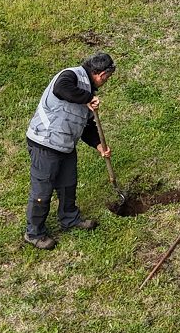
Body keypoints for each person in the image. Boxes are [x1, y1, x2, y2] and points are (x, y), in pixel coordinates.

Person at [24, 52, 117, 250]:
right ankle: (34, 233)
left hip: (65, 144)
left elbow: (87, 127)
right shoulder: (70, 76)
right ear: (100, 74)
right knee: (43, 189)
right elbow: (61, 89)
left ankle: (70, 219)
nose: (106, 81)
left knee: (68, 184)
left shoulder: (87, 93)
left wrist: (99, 146)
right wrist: (88, 97)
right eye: (107, 77)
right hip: (44, 142)